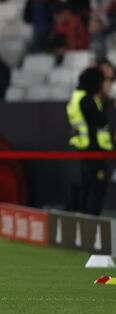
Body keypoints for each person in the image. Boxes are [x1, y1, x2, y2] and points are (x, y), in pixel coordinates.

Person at [67, 67, 112, 216]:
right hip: (93, 149)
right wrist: (106, 103)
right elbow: (101, 120)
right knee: (97, 187)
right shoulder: (87, 99)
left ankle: (86, 219)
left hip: (83, 147)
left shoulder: (75, 97)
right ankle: (92, 220)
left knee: (88, 186)